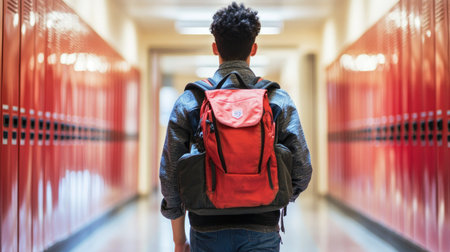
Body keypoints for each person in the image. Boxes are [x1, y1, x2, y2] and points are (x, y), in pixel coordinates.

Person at [159, 2, 312, 252]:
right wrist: (273, 196)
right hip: (262, 229)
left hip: (205, 228)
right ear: (254, 48)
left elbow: (169, 177)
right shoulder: (277, 100)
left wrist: (179, 240)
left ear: (214, 48)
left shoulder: (190, 100)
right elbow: (303, 170)